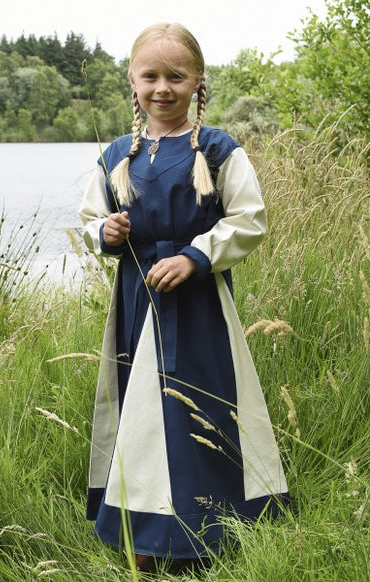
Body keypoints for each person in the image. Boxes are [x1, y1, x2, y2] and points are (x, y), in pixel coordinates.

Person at [79, 22, 289, 572]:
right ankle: (144, 533)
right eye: (151, 76)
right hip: (137, 302)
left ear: (198, 83)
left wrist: (197, 255)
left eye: (177, 76)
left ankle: (209, 529)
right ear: (132, 81)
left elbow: (250, 220)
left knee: (200, 414)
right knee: (142, 417)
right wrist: (105, 233)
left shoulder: (219, 150)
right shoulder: (117, 156)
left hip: (198, 309)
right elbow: (87, 218)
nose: (162, 88)